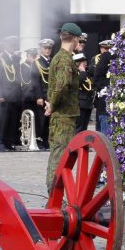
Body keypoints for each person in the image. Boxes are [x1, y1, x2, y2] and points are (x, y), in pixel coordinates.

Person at [46, 23, 82, 191]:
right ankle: (55, 198)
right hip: (64, 116)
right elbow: (61, 86)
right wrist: (52, 105)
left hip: (62, 116)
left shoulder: (57, 57)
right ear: (74, 39)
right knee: (60, 158)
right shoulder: (66, 59)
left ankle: (54, 196)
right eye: (78, 40)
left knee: (57, 155)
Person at [0, 36, 22, 151]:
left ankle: (8, 142)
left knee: (11, 121)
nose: (12, 46)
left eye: (14, 44)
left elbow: (17, 77)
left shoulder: (15, 59)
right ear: (5, 46)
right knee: (1, 121)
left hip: (14, 95)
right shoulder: (0, 59)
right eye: (10, 44)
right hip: (4, 95)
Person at [34, 38, 54, 150]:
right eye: (45, 48)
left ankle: (47, 142)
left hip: (51, 95)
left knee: (49, 122)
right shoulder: (36, 62)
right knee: (41, 121)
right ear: (40, 49)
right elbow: (36, 81)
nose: (47, 50)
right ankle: (40, 142)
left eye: (49, 48)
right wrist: (39, 97)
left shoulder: (52, 61)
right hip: (42, 95)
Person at [92, 39, 114, 134]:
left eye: (110, 49)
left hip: (109, 93)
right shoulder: (101, 58)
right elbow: (96, 77)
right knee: (103, 119)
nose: (108, 51)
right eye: (105, 48)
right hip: (103, 92)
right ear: (101, 49)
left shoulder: (111, 57)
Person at [74, 53, 94, 133]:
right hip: (80, 104)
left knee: (84, 128)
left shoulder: (86, 73)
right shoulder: (75, 73)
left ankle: (82, 144)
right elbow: (77, 83)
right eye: (83, 62)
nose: (85, 64)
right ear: (78, 63)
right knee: (78, 127)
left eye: (85, 62)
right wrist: (82, 72)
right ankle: (75, 144)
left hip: (87, 103)